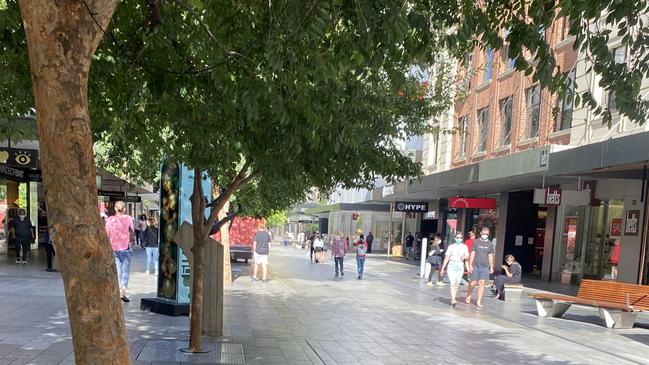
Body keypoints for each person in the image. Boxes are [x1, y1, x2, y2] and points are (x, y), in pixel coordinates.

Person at [105, 201, 134, 302]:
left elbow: (107, 234)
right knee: (125, 271)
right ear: (124, 209)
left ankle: (115, 290)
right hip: (126, 248)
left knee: (117, 270)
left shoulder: (110, 219)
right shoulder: (128, 218)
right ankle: (123, 290)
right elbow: (132, 232)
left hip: (114, 248)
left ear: (115, 209)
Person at [465, 227, 495, 308]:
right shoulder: (476, 242)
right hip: (476, 265)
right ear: (481, 233)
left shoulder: (490, 243)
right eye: (483, 234)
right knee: (473, 283)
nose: (485, 235)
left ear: (488, 234)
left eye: (487, 234)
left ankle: (478, 301)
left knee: (482, 283)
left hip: (485, 266)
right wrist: (470, 265)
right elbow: (473, 253)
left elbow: (490, 255)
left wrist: (491, 266)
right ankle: (468, 294)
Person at [440, 232, 470, 308]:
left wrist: (464, 257)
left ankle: (454, 297)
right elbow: (447, 258)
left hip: (460, 266)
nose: (459, 239)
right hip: (452, 265)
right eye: (457, 237)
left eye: (460, 238)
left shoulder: (464, 247)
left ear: (462, 239)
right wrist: (443, 268)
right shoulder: (451, 247)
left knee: (456, 284)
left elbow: (467, 256)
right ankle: (453, 299)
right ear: (455, 238)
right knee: (453, 282)